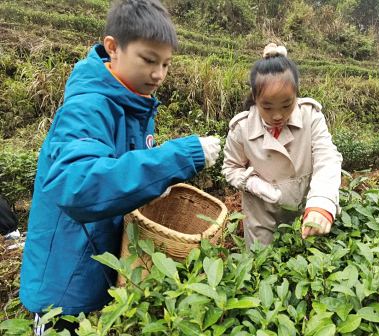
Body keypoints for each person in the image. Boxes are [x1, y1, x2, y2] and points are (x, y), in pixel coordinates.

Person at [20, 0, 221, 334]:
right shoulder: (87, 108)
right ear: (113, 48)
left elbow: (122, 173)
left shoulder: (135, 104)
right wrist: (178, 157)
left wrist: (159, 181)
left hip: (99, 270)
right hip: (64, 287)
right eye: (148, 60)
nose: (159, 74)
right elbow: (79, 186)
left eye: (166, 64)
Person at [222, 43, 342, 247]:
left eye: (287, 105)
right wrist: (251, 183)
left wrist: (321, 202)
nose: (277, 115)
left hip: (303, 204)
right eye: (267, 107)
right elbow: (230, 168)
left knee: (300, 258)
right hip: (261, 212)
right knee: (260, 264)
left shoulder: (310, 116)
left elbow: (327, 158)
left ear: (296, 93)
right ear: (255, 98)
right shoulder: (241, 128)